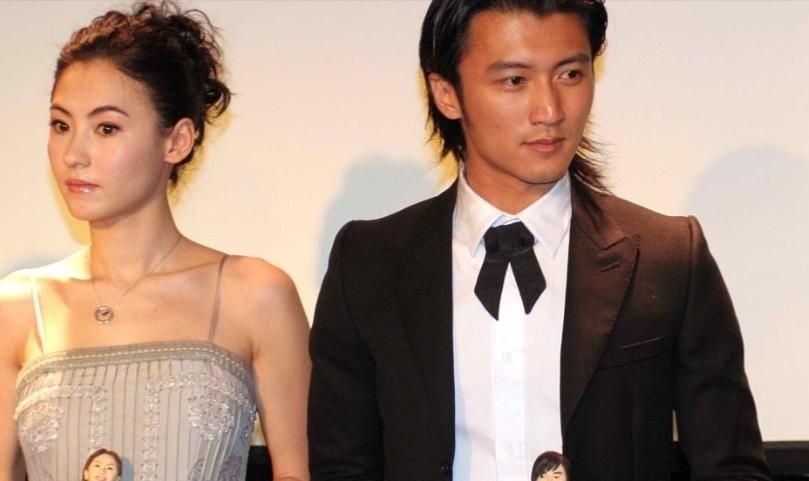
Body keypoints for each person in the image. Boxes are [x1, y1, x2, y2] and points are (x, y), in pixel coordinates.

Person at [307, 0, 770, 480]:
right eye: (514, 80)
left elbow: (731, 466)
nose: (549, 110)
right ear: (447, 93)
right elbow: (342, 466)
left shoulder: (666, 256)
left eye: (570, 74)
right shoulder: (368, 264)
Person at [0, 2, 310, 481]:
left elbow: (298, 471)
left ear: (176, 141)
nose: (74, 154)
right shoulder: (12, 308)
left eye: (107, 128)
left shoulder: (256, 295)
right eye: (61, 125)